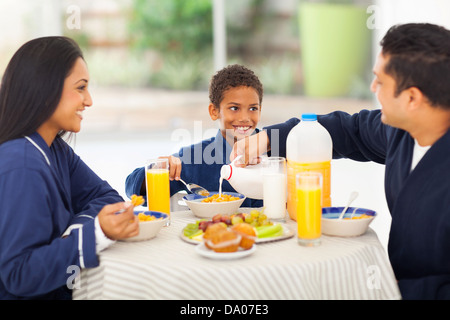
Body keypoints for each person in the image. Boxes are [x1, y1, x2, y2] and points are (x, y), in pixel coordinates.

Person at [230, 23, 450, 300]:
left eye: (380, 82)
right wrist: (270, 138)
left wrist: (388, 289)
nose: (372, 88)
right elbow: (348, 131)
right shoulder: (401, 131)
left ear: (412, 98)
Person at [0, 37, 139, 300]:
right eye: (81, 88)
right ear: (44, 88)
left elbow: (106, 196)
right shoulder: (21, 164)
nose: (89, 101)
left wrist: (72, 233)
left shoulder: (54, 148)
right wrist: (96, 232)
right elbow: (19, 274)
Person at [125, 64, 264, 207]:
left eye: (253, 108)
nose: (245, 117)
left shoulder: (277, 153)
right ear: (214, 111)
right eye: (234, 108)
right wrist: (159, 169)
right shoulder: (196, 157)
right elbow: (131, 187)